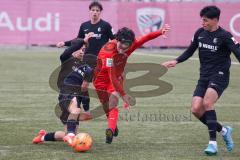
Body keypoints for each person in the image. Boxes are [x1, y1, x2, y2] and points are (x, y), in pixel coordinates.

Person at [162, 6, 240, 156]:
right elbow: (190, 50)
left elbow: (238, 52)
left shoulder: (225, 36)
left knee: (207, 103)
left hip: (220, 75)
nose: (202, 22)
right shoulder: (199, 33)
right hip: (204, 76)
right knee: (196, 109)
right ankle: (224, 130)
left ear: (215, 20)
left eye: (205, 20)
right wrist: (176, 61)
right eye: (202, 19)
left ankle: (213, 144)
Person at [93, 24, 170, 144]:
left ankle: (110, 129)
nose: (123, 47)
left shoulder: (130, 45)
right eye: (121, 44)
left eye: (127, 45)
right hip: (100, 79)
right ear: (117, 40)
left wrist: (160, 32)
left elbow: (146, 37)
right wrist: (124, 94)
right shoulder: (107, 53)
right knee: (106, 106)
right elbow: (111, 76)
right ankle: (113, 125)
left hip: (115, 77)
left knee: (113, 100)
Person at [32, 34, 94, 146]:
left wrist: (87, 109)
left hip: (76, 97)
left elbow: (85, 89)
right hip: (66, 93)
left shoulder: (87, 69)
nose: (81, 51)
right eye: (79, 48)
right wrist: (82, 41)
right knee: (75, 111)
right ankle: (70, 134)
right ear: (73, 49)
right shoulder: (66, 59)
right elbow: (69, 50)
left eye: (83, 49)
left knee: (70, 133)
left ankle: (43, 136)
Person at [56, 1, 114, 114]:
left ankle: (107, 106)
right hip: (86, 60)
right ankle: (85, 108)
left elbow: (113, 39)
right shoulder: (84, 26)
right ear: (89, 11)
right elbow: (78, 41)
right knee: (83, 86)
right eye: (93, 10)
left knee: (101, 85)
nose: (95, 12)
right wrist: (65, 43)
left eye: (97, 10)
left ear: (100, 12)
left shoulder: (105, 26)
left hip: (101, 61)